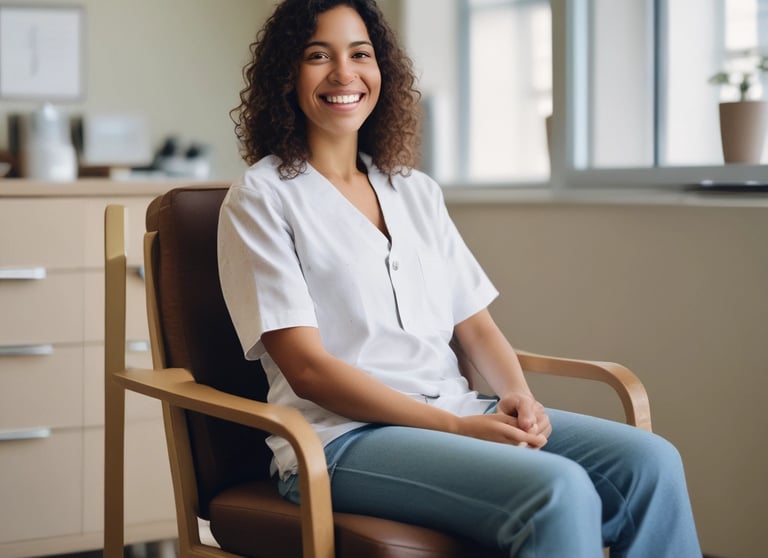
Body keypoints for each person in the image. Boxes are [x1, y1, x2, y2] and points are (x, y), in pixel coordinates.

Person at [217, 1, 702, 556]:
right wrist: (452, 428)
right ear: (287, 74)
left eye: (360, 54)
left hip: (459, 410)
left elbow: (476, 327)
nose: (344, 73)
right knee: (557, 490)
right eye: (317, 55)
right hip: (338, 441)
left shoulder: (414, 192)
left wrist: (520, 399)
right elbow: (307, 369)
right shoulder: (260, 197)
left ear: (383, 71)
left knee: (651, 463)